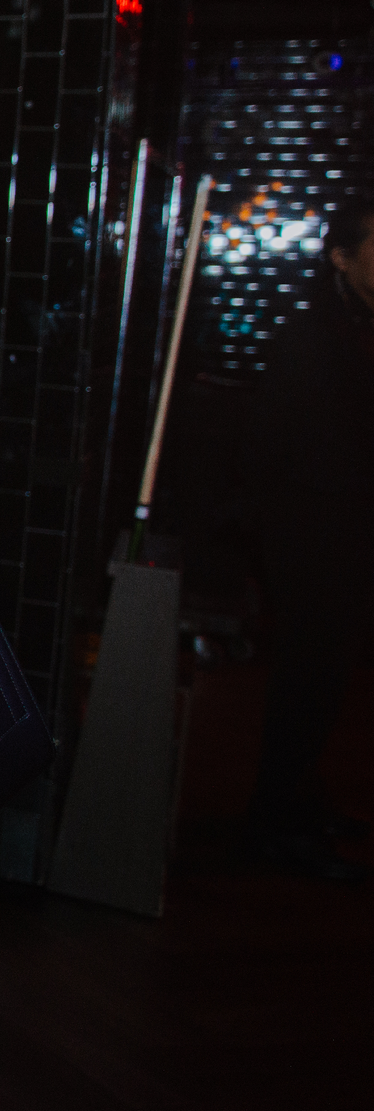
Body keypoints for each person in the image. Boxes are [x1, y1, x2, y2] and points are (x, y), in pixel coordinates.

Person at [239, 201, 374, 882]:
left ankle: (299, 804)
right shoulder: (309, 336)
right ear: (342, 257)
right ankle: (274, 819)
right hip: (313, 548)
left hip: (347, 545)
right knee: (304, 683)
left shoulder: (359, 328)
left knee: (328, 686)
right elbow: (270, 454)